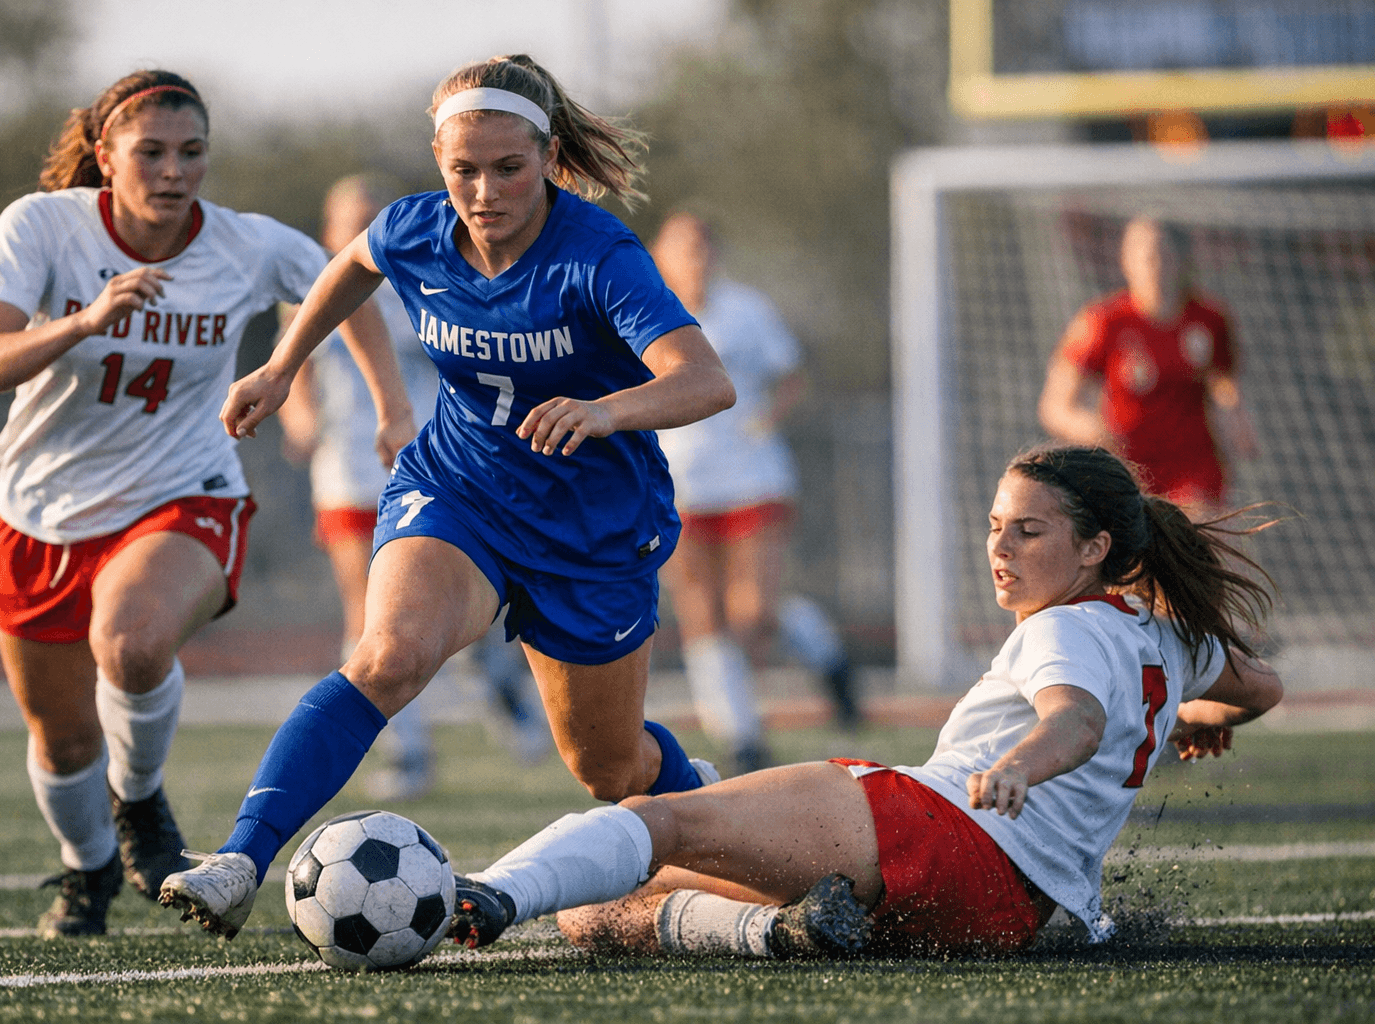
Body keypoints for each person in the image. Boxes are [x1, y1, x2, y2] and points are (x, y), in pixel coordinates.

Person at [158, 54, 736, 939]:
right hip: (459, 489)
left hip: (592, 529)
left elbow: (704, 381)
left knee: (609, 769)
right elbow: (350, 262)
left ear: (547, 157)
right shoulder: (417, 228)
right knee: (388, 656)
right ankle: (240, 858)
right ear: (438, 160)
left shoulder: (600, 255)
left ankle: (704, 802)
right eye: (463, 170)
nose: (485, 191)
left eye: (508, 168)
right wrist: (282, 365)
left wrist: (605, 409)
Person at [444, 443, 1283, 960]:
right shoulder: (1168, 638)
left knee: (653, 820)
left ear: (1097, 547)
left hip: (939, 828)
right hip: (1003, 918)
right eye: (995, 524)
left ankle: (481, 895)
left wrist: (1022, 765)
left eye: (1029, 530)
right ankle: (782, 934)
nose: (1000, 545)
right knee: (595, 917)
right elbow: (1262, 688)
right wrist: (1199, 716)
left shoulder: (1062, 631)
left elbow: (1078, 720)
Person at [0, 70, 382, 938]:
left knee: (134, 642)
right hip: (39, 509)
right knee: (64, 743)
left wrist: (384, 403)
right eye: (150, 153)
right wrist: (82, 320)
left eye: (192, 153)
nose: (173, 171)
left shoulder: (242, 243)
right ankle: (88, 870)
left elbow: (353, 277)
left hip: (184, 491)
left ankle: (140, 805)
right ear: (105, 157)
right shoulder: (42, 227)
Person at [276, 174, 550, 800]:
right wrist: (300, 421)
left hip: (439, 466)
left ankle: (497, 679)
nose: (361, 230)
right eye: (350, 220)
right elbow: (297, 375)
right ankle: (409, 753)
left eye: (373, 217)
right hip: (348, 470)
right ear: (328, 232)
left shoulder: (433, 282)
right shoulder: (310, 295)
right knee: (372, 617)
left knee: (461, 617)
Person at [650, 212, 861, 774]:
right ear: (658, 255)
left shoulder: (746, 310)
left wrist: (765, 420)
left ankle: (825, 652)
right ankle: (742, 736)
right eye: (681, 247)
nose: (694, 257)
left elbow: (789, 376)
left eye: (701, 246)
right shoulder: (639, 309)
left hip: (750, 478)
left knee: (753, 613)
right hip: (678, 485)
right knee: (701, 615)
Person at [1039, 216, 1260, 515]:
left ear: (1181, 259)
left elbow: (1224, 383)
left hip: (1193, 466)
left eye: (1159, 252)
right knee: (1139, 550)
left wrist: (1236, 420)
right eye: (1140, 253)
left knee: (1190, 540)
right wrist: (1092, 431)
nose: (1151, 262)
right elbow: (1056, 406)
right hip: (1129, 468)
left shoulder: (1209, 319)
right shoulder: (1103, 321)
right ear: (1125, 260)